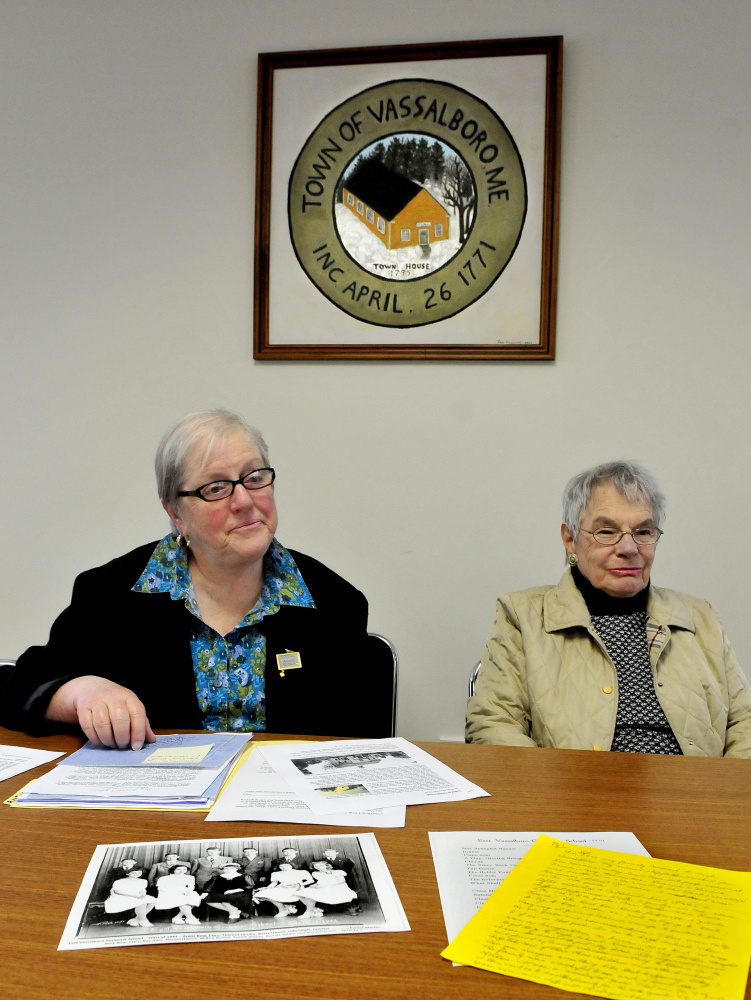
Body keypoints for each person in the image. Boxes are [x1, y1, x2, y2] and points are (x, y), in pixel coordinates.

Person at [1, 410, 385, 749]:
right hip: (147, 815)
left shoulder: (334, 602)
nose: (244, 501)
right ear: (176, 512)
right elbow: (14, 687)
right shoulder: (110, 594)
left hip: (285, 816)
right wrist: (81, 692)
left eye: (254, 477)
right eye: (215, 488)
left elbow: (358, 745)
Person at [466, 461, 751, 756]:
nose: (629, 548)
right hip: (572, 796)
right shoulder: (521, 616)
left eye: (643, 532)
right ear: (570, 540)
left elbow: (744, 724)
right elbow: (494, 725)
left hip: (694, 796)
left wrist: (725, 796)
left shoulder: (700, 616)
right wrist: (560, 796)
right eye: (606, 531)